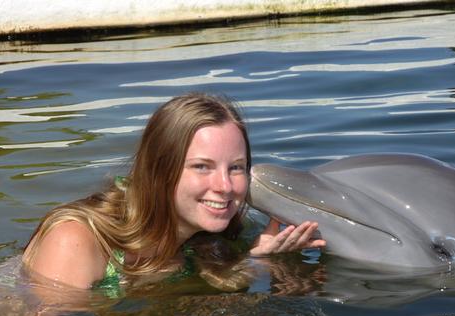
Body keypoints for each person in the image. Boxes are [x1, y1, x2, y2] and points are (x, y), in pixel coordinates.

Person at [23, 92, 326, 290]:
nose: (225, 186)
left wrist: (258, 260)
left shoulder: (213, 239)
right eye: (201, 167)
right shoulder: (79, 239)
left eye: (236, 167)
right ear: (159, 170)